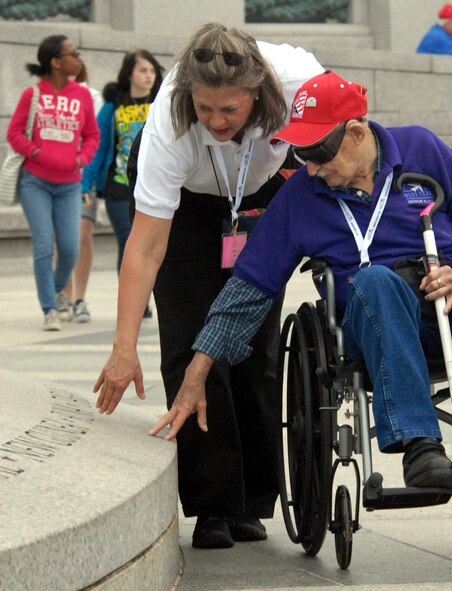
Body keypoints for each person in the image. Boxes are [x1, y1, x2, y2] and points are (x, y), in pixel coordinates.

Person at [144, 70, 452, 497]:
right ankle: (420, 443)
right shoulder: (300, 198)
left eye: (318, 152)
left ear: (354, 133)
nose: (309, 167)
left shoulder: (421, 147)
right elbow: (249, 289)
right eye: (300, 154)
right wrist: (197, 371)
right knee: (375, 281)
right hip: (375, 319)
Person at [92, 23, 323, 549]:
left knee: (254, 345)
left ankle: (253, 500)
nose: (217, 122)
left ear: (259, 94)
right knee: (190, 338)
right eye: (205, 110)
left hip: (260, 194)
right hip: (189, 210)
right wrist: (123, 348)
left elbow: (352, 135)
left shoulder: (295, 78)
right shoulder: (167, 126)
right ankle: (212, 503)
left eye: (230, 111)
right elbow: (146, 247)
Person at [7, 35, 99, 331]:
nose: (79, 57)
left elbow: (92, 136)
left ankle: (58, 290)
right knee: (45, 246)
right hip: (35, 183)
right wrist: (35, 151)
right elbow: (14, 133)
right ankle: (49, 307)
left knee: (71, 247)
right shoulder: (32, 94)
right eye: (73, 53)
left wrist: (80, 159)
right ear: (56, 62)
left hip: (70, 183)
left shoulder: (82, 95)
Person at [81, 49, 164, 319]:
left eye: (152, 70)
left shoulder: (161, 102)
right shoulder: (113, 106)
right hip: (120, 186)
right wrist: (86, 185)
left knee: (158, 245)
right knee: (129, 243)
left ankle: (151, 296)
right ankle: (135, 303)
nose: (148, 75)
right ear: (129, 73)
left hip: (156, 186)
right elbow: (100, 147)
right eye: (143, 70)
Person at [64, 61, 103, 322]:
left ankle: (79, 299)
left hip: (82, 174)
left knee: (82, 233)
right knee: (59, 240)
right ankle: (63, 298)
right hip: (50, 175)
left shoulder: (92, 97)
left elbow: (96, 138)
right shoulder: (41, 95)